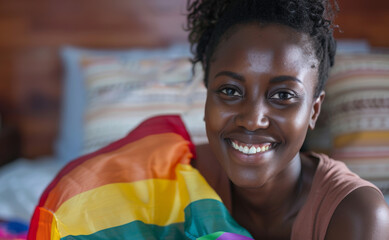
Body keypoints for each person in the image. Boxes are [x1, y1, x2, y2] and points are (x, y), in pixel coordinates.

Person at [28, 0, 389, 239]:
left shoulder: (357, 217)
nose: (252, 119)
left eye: (282, 96)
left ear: (313, 110)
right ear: (206, 96)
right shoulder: (164, 182)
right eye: (230, 91)